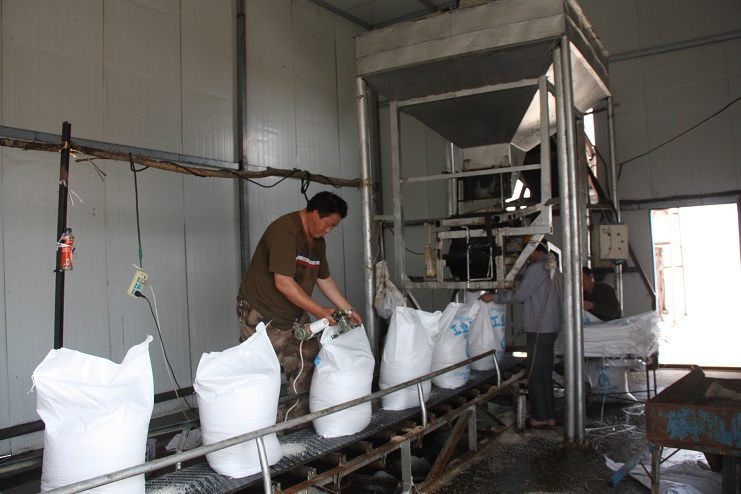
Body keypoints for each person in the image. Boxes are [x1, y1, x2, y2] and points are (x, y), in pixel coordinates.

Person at [236, 191, 362, 425]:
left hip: (293, 314)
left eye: (333, 227)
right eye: (328, 224)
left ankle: (294, 425)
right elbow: (283, 283)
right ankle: (259, 429)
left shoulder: (317, 242)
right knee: (262, 373)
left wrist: (348, 310)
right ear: (314, 214)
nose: (329, 231)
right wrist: (319, 310)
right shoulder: (285, 232)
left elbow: (324, 279)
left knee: (307, 361)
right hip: (261, 312)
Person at [480, 242, 562, 428]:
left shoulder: (537, 268)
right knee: (545, 373)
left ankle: (540, 417)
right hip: (552, 327)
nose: (526, 258)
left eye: (527, 253)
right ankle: (549, 416)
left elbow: (520, 295)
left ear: (533, 250)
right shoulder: (554, 269)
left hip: (539, 328)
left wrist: (493, 297)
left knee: (535, 373)